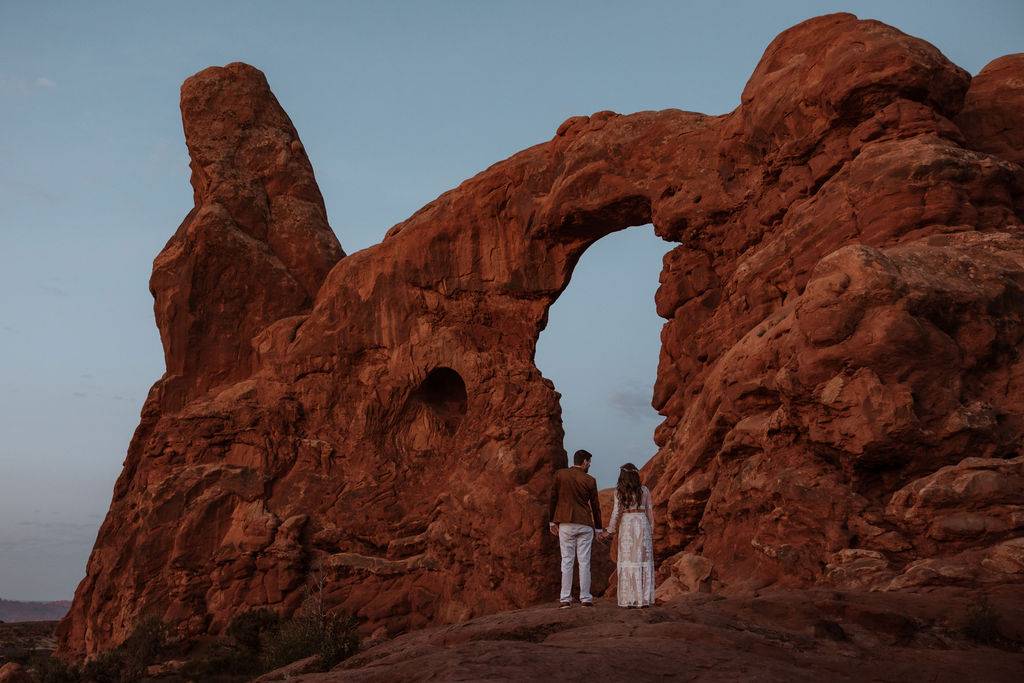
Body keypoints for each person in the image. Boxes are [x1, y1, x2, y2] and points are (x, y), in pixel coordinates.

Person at [548, 448, 604, 608]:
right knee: (584, 562)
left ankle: (565, 598)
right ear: (585, 461)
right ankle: (585, 598)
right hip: (584, 524)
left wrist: (552, 521)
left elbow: (553, 498)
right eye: (589, 462)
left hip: (565, 523)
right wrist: (598, 528)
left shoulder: (560, 475)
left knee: (567, 560)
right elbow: (595, 506)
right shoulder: (590, 480)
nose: (590, 465)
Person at [604, 462, 655, 607]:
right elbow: (650, 512)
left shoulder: (619, 491)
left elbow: (616, 512)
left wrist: (610, 529)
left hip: (627, 523)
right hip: (641, 522)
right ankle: (643, 599)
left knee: (629, 559)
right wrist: (650, 530)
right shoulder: (644, 490)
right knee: (641, 559)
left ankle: (629, 599)